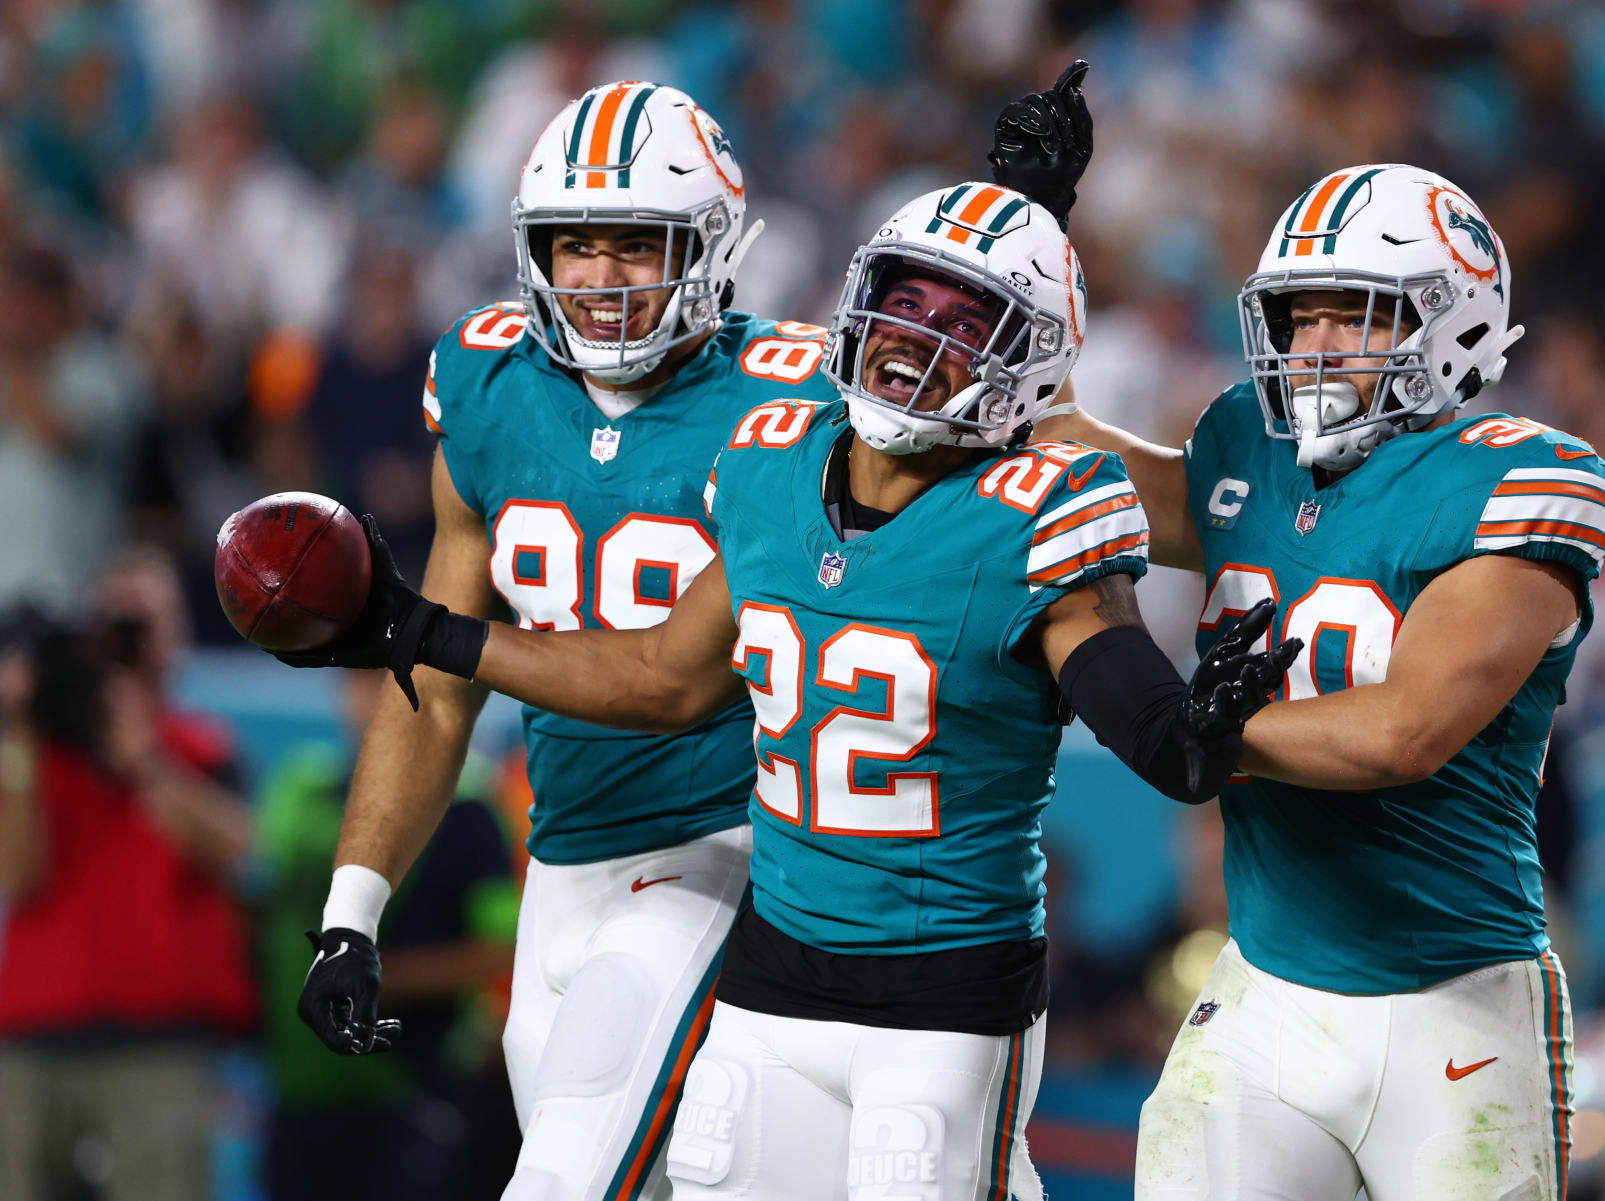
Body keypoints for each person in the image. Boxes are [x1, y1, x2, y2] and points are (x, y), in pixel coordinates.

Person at [266, 175, 1300, 1199]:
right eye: (900, 305)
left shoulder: (1034, 505)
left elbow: (1145, 711)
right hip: (772, 970)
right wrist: (422, 633)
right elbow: (654, 672)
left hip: (925, 970)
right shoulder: (774, 465)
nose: (916, 342)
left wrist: (1188, 728)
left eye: (960, 321)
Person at [987, 84, 1605, 1201]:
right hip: (1265, 992)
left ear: (1453, 320)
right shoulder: (1245, 444)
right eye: (1298, 314)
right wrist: (1023, 232)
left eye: (1354, 314)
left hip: (1453, 1012)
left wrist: (1198, 733)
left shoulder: (1523, 478)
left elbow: (1405, 731)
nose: (1314, 346)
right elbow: (1055, 452)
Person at [0, 549, 256, 1201]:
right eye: (109, 624)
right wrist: (20, 730)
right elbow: (16, 873)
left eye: (140, 625)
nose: (122, 644)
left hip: (158, 1042)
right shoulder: (32, 750)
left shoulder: (201, 744)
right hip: (34, 1039)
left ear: (176, 637)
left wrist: (145, 761)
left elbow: (236, 853)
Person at [256, 669, 518, 1201]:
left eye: (386, 674)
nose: (373, 692)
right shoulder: (298, 787)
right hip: (299, 1089)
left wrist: (375, 978)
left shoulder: (469, 807)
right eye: (359, 676)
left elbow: (498, 949)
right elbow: (257, 893)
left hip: (411, 1085)